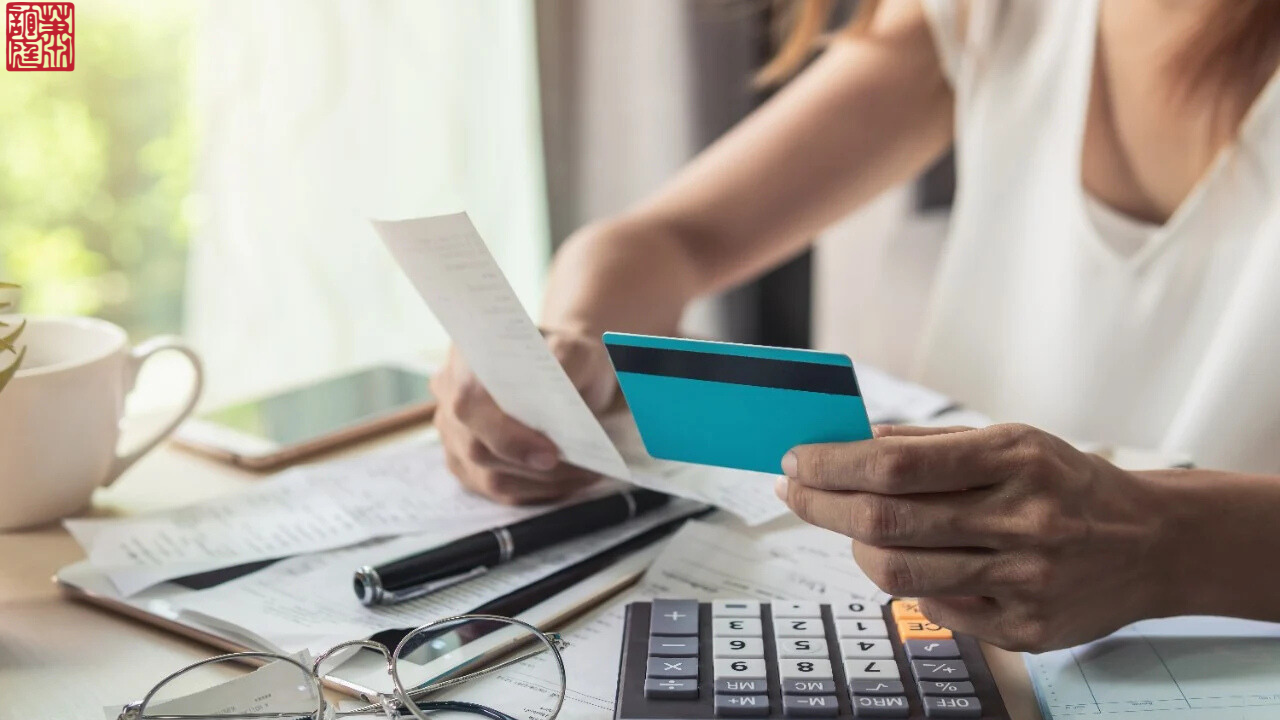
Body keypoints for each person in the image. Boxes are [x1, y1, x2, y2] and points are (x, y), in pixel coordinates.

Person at [430, 0, 1280, 651]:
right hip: (966, 647)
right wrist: (566, 348)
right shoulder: (998, 14)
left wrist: (1169, 542)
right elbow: (667, 239)